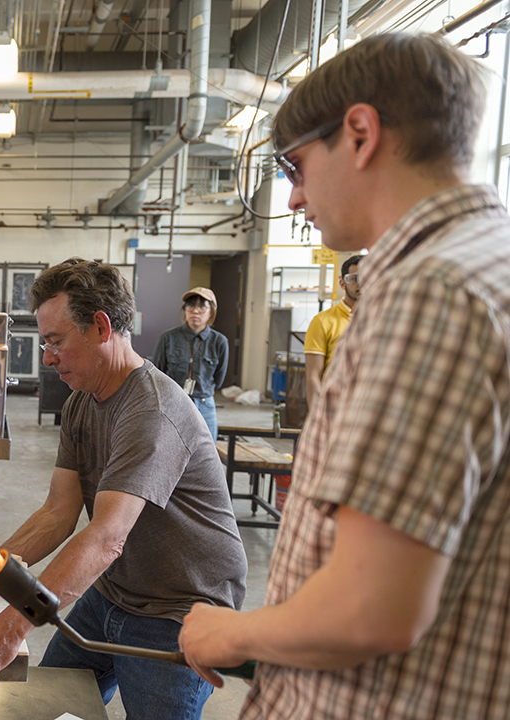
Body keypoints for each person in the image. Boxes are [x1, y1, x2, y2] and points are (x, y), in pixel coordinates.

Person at [179, 34, 510, 720]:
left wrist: (229, 631)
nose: (295, 198)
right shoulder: (489, 265)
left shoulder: (430, 293)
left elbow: (370, 609)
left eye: (296, 166)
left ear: (360, 133)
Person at [0, 259, 247, 720]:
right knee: (48, 706)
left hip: (181, 607)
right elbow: (56, 514)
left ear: (101, 327)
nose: (46, 357)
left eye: (55, 341)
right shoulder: (83, 401)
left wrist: (10, 628)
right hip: (116, 590)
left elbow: (106, 539)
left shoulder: (152, 411)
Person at [152, 287, 229, 440]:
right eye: (191, 305)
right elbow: (157, 373)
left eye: (202, 306)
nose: (195, 311)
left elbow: (219, 379)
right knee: (171, 450)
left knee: (207, 455)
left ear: (211, 311)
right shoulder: (168, 338)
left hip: (205, 404)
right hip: (173, 403)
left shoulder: (219, 341)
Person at [303, 255, 362, 408]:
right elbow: (313, 376)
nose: (361, 283)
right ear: (342, 283)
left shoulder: (382, 319)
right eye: (354, 278)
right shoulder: (323, 322)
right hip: (337, 407)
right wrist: (317, 416)